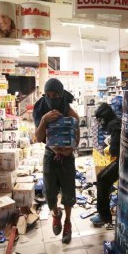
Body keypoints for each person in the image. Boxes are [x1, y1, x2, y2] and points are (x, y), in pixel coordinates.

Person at [33, 78, 79, 244]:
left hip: (66, 157)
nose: (52, 99)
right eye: (48, 95)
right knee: (49, 192)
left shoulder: (65, 106)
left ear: (61, 95)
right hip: (49, 155)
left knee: (68, 192)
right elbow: (38, 137)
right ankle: (55, 214)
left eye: (55, 95)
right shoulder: (40, 109)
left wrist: (72, 147)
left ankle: (67, 222)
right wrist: (45, 120)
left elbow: (77, 123)